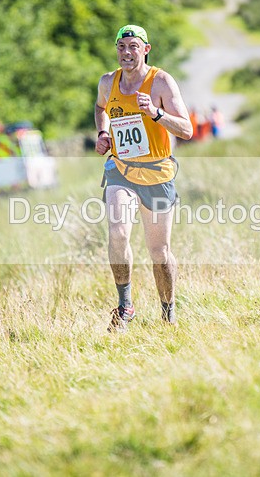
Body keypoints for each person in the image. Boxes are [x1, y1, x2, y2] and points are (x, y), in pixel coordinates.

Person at [94, 24, 193, 332]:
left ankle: (168, 311)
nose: (126, 53)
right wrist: (102, 133)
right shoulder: (108, 81)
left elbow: (187, 130)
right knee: (118, 233)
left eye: (133, 47)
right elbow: (100, 107)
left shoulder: (160, 82)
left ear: (146, 50)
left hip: (158, 173)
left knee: (159, 252)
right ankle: (125, 306)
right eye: (121, 47)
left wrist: (156, 113)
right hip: (121, 171)